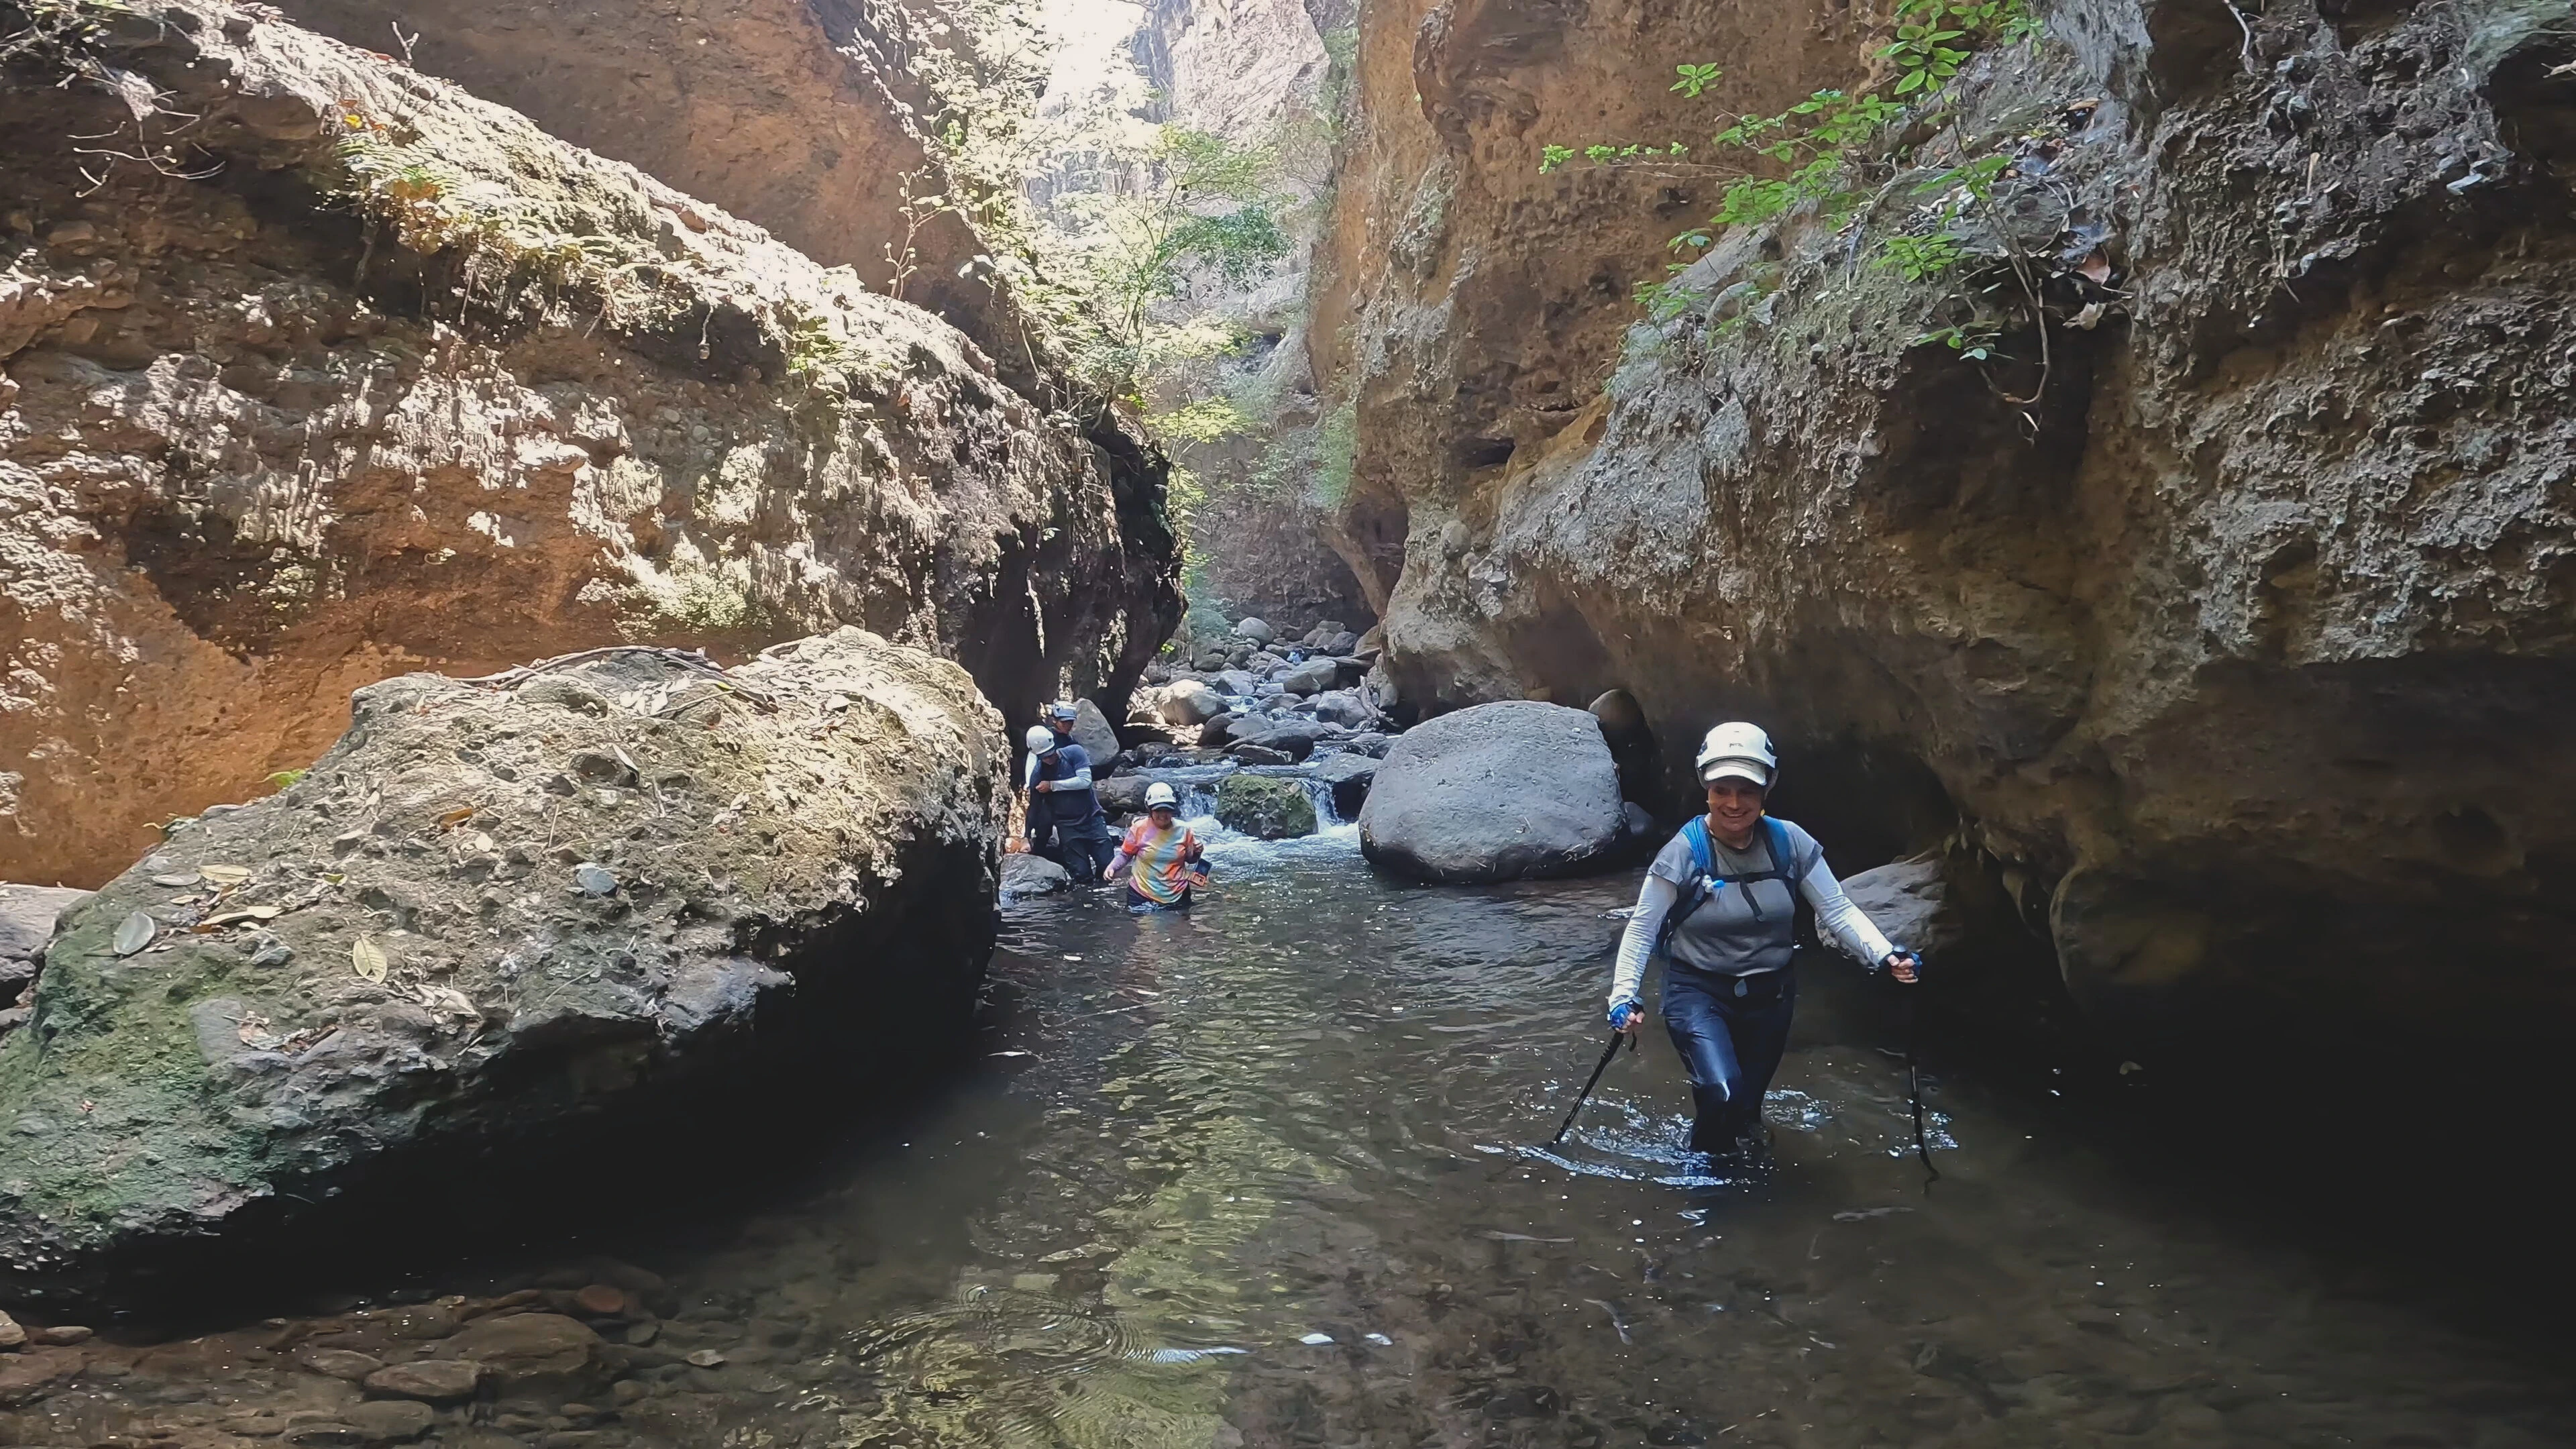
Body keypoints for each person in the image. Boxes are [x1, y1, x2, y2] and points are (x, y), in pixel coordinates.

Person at [1605, 721, 1921, 1157]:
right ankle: (1705, 1180)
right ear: (1706, 788)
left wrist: (1887, 954)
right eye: (1722, 790)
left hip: (1770, 995)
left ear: (1766, 789)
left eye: (1747, 791)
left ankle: (1740, 1169)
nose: (1734, 803)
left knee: (1747, 1110)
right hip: (1697, 991)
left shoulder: (1790, 843)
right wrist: (1624, 996)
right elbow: (1642, 927)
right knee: (1722, 1092)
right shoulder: (1683, 852)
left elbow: (1838, 909)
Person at [1025, 720, 1118, 881]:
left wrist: (1053, 786)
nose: (1049, 758)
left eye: (1050, 753)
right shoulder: (1038, 775)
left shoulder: (1075, 753)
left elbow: (1085, 781)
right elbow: (1035, 808)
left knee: (1108, 869)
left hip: (1092, 820)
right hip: (1067, 828)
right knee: (1081, 875)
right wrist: (1027, 836)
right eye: (1044, 757)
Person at [1106, 782, 1209, 912]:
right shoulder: (1139, 828)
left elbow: (1190, 860)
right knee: (1146, 931)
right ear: (1149, 809)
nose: (1163, 815)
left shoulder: (1184, 830)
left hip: (1177, 893)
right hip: (1142, 893)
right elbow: (1126, 854)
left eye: (1167, 810)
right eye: (1158, 810)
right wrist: (1112, 867)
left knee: (1180, 931)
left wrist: (1197, 853)